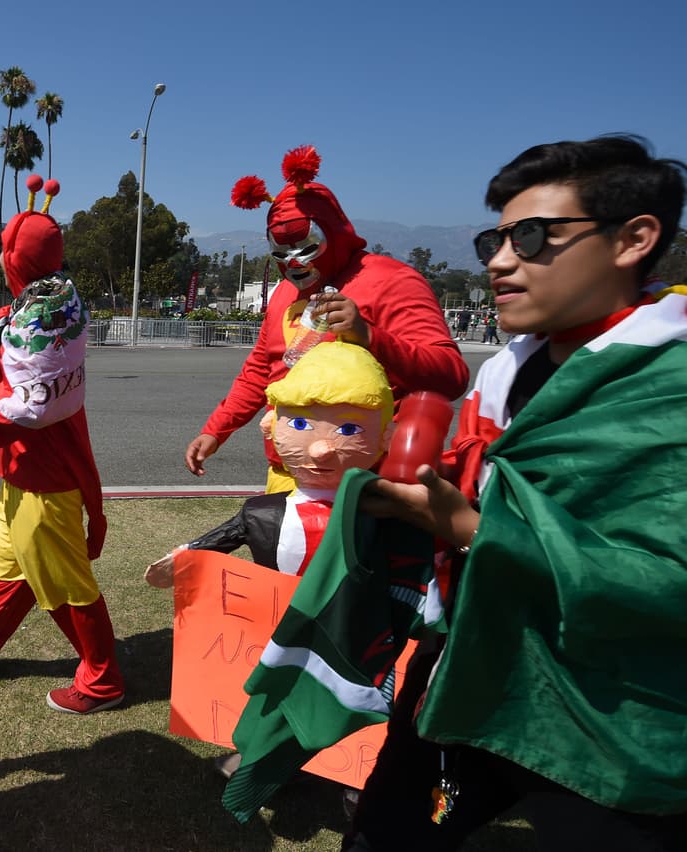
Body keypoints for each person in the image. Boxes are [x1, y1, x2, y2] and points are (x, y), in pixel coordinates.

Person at [345, 135, 687, 851]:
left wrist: (471, 527)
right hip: (469, 679)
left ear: (634, 239)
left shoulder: (669, 392)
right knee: (402, 827)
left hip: (599, 722)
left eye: (533, 238)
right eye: (493, 240)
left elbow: (667, 582)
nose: (500, 261)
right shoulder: (503, 372)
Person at [0, 175, 124, 716]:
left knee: (64, 583)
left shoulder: (41, 324)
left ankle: (102, 679)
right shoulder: (50, 311)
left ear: (13, 265)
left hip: (47, 478)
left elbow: (28, 412)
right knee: (12, 571)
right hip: (26, 473)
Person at [185, 145, 468, 494]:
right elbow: (262, 369)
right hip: (288, 474)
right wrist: (216, 430)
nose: (295, 264)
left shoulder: (392, 281)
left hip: (372, 484)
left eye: (306, 248)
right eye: (281, 253)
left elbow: (451, 375)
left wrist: (369, 336)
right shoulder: (284, 294)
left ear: (332, 234)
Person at [146, 341, 395, 587]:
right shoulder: (261, 514)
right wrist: (183, 557)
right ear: (270, 426)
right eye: (300, 424)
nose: (320, 452)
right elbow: (218, 541)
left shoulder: (383, 514)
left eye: (349, 429)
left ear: (387, 437)